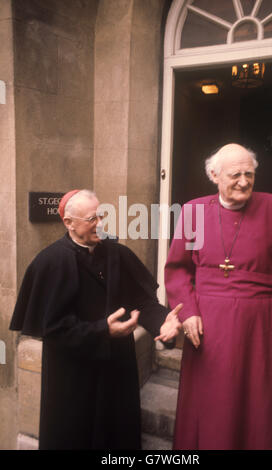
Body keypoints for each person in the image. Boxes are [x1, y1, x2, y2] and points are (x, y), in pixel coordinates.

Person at [10, 189, 182, 450]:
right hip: (73, 379)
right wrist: (104, 331)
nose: (100, 224)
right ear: (69, 223)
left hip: (116, 371)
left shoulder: (117, 254)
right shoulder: (50, 262)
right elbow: (53, 329)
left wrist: (163, 322)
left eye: (101, 216)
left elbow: (142, 301)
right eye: (92, 219)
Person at [164, 143, 272, 450]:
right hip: (209, 321)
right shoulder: (193, 211)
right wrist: (188, 314)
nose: (243, 181)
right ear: (214, 175)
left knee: (257, 400)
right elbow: (177, 270)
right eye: (235, 174)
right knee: (214, 398)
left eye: (249, 174)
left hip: (260, 320)